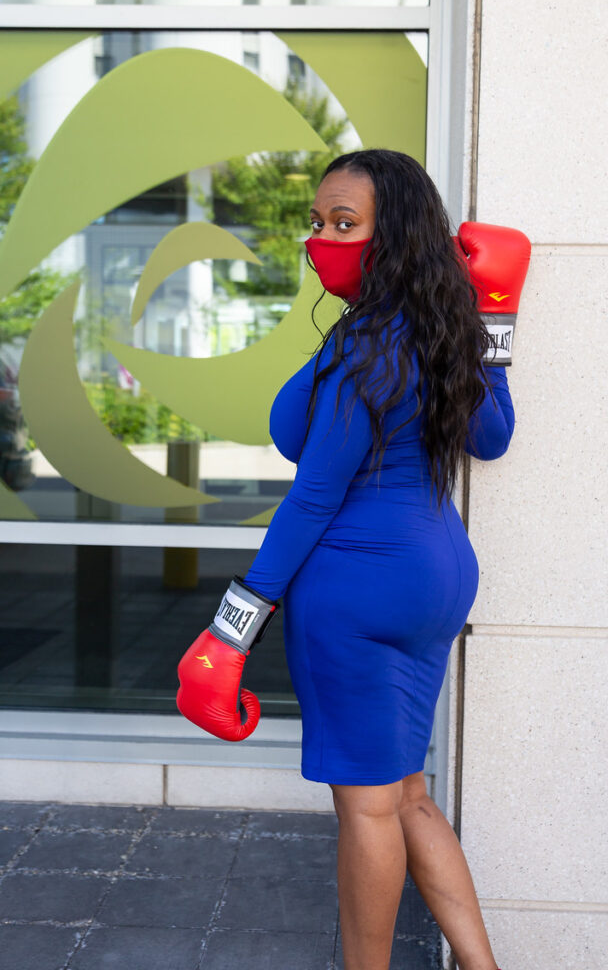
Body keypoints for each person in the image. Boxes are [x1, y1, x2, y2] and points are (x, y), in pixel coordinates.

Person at [179, 148, 519, 970]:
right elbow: (493, 434)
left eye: (343, 224)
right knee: (405, 795)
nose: (320, 241)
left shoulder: (367, 347)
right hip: (435, 579)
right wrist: (497, 310)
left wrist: (229, 632)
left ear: (394, 234)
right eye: (318, 223)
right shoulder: (439, 329)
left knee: (366, 808)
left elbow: (311, 497)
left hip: (356, 587)